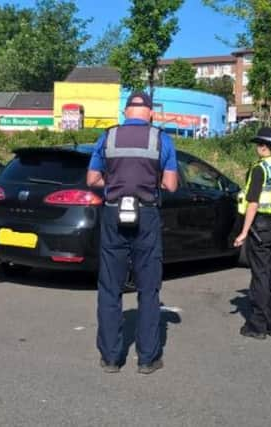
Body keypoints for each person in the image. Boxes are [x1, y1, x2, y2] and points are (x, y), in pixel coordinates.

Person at [86, 91, 178, 375]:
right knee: (148, 289)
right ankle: (148, 359)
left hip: (114, 213)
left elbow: (92, 179)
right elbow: (171, 185)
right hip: (147, 215)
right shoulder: (161, 139)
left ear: (126, 112)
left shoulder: (108, 137)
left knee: (110, 287)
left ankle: (111, 358)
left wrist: (113, 183)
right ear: (150, 113)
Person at [234, 127, 271, 339]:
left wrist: (243, 231)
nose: (258, 147)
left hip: (261, 226)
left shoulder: (260, 169)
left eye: (260, 143)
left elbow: (253, 203)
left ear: (266, 146)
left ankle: (257, 326)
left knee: (260, 276)